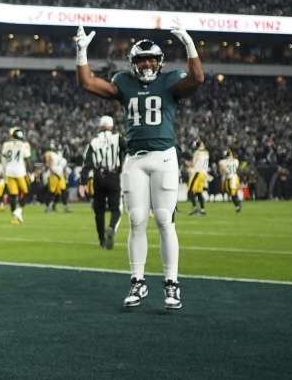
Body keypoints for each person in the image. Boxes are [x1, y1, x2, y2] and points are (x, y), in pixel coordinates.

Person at [75, 20, 204, 311]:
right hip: (134, 159)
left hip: (164, 158)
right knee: (135, 220)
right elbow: (88, 83)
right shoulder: (123, 82)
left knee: (163, 220)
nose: (146, 64)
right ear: (133, 62)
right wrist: (81, 53)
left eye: (151, 59)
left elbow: (197, 80)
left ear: (159, 62)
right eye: (141, 59)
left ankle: (172, 284)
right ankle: (138, 281)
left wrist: (190, 45)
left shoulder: (171, 81)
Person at [83, 116, 123, 248]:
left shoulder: (93, 142)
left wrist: (83, 182)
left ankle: (101, 240)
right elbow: (128, 152)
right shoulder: (118, 138)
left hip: (99, 177)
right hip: (113, 175)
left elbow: (87, 163)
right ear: (111, 127)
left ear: (100, 127)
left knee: (99, 211)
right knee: (116, 209)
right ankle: (111, 227)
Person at [1, 128, 32, 224]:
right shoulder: (24, 145)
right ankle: (19, 210)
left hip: (9, 170)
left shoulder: (6, 145)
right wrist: (31, 171)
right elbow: (27, 160)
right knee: (27, 192)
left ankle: (14, 218)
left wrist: (4, 171)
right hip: (20, 171)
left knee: (13, 195)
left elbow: (3, 159)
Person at [43, 147, 71, 213]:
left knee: (60, 192)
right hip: (55, 175)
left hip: (59, 175)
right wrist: (50, 169)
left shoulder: (61, 158)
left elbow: (49, 160)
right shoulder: (55, 155)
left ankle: (57, 206)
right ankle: (48, 207)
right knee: (53, 192)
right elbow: (49, 159)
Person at [188, 141, 210, 215]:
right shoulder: (206, 153)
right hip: (204, 174)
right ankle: (203, 210)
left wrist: (186, 163)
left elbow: (193, 164)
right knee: (198, 192)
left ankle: (195, 208)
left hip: (198, 173)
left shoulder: (197, 153)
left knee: (190, 191)